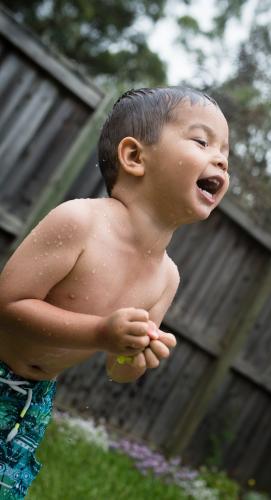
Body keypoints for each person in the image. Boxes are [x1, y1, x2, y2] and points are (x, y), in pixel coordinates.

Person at [0, 86, 229, 498]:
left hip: (34, 399)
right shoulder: (81, 222)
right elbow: (8, 304)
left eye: (226, 151)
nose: (221, 158)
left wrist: (134, 352)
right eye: (201, 141)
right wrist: (101, 333)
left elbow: (117, 370)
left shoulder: (167, 277)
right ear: (135, 157)